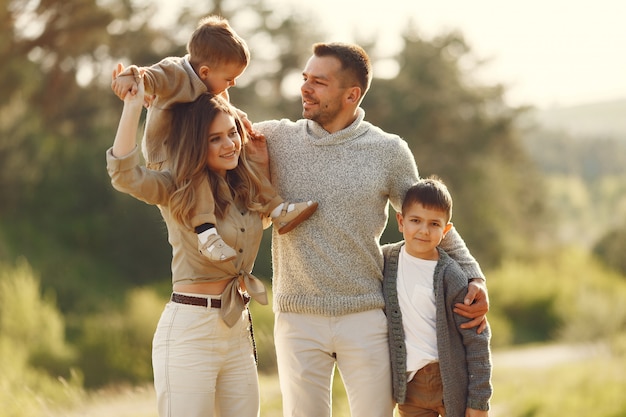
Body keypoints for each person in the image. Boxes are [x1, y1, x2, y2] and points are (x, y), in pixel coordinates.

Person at [252, 42, 490, 417]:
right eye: (305, 78)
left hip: (365, 315)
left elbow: (427, 217)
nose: (305, 88)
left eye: (318, 81)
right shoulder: (274, 139)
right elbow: (214, 124)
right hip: (297, 317)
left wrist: (475, 276)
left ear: (351, 94)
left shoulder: (388, 151)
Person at [106, 73, 277, 416]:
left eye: (232, 134)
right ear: (197, 144)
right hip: (190, 330)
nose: (229, 144)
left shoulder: (245, 190)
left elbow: (271, 213)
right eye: (215, 139)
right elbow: (125, 175)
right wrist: (132, 106)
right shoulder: (175, 188)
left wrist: (260, 159)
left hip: (237, 326)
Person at [111, 14, 317, 263]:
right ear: (205, 71)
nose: (233, 83)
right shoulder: (175, 73)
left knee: (245, 165)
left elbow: (221, 109)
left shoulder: (212, 86)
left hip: (196, 151)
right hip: (168, 155)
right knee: (197, 176)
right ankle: (207, 234)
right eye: (229, 79)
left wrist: (242, 122)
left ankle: (277, 208)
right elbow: (148, 76)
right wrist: (129, 79)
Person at [382, 177, 492, 417]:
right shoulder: (385, 261)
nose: (423, 230)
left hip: (451, 384)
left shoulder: (451, 275)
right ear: (400, 221)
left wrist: (479, 400)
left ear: (446, 230)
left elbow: (477, 338)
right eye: (415, 221)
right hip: (409, 388)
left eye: (434, 224)